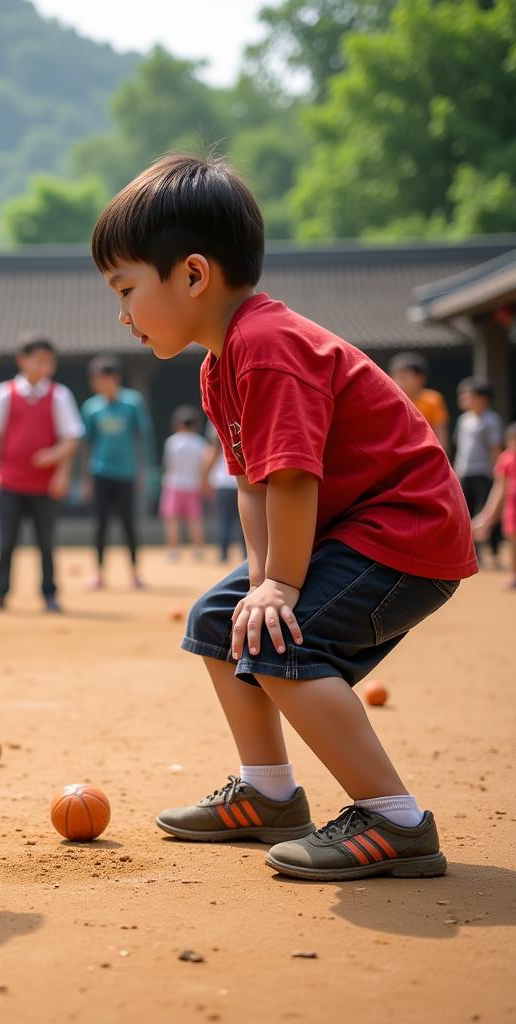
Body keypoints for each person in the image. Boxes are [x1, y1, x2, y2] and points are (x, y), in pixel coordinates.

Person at [93, 153, 476, 881]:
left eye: (125, 289)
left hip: (401, 533)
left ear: (194, 275)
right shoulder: (220, 365)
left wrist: (282, 588)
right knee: (221, 619)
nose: (122, 314)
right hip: (351, 532)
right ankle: (269, 793)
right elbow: (253, 485)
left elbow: (295, 479)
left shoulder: (268, 348)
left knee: (282, 643)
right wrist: (262, 582)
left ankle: (395, 820)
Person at [0, 335, 84, 613]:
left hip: (45, 485)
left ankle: (49, 594)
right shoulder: (4, 393)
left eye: (49, 361)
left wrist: (59, 466)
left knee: (46, 542)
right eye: (39, 360)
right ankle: (0, 593)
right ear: (22, 360)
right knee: (5, 541)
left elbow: (70, 439)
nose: (44, 366)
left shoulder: (60, 395)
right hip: (10, 481)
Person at [80, 355, 154, 590]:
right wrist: (86, 479)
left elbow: (141, 438)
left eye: (106, 379)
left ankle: (134, 573)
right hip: (100, 472)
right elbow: (86, 444)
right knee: (100, 525)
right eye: (97, 380)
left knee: (128, 524)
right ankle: (99, 573)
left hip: (126, 474)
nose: (102, 384)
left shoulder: (133, 403)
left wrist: (142, 472)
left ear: (116, 379)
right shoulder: (91, 408)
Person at [454, 378, 504, 568]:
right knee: (467, 513)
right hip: (466, 472)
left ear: (483, 399)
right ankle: (475, 553)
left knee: (490, 511)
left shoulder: (491, 419)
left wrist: (496, 472)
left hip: (485, 473)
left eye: (468, 395)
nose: (463, 398)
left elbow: (495, 447)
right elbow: (460, 447)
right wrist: (457, 471)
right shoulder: (463, 420)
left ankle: (495, 551)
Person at [160, 406, 208, 561]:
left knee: (172, 519)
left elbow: (169, 465)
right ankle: (198, 550)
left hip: (174, 484)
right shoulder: (200, 443)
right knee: (194, 520)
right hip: (193, 485)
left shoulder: (172, 442)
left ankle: (173, 551)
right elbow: (203, 466)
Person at [472, 423, 516, 590]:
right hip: (512, 507)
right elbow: (499, 490)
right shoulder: (506, 459)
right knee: (513, 542)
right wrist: (487, 517)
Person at [389, 352, 450, 451]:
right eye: (396, 377)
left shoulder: (433, 399)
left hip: (426, 453)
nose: (398, 382)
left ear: (420, 378)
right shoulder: (390, 401)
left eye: (404, 378)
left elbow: (440, 432)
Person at [203, 421, 245, 564]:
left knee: (225, 521)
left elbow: (213, 456)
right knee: (245, 522)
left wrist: (204, 478)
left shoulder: (218, 436)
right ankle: (247, 556)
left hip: (223, 483)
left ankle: (223, 555)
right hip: (242, 482)